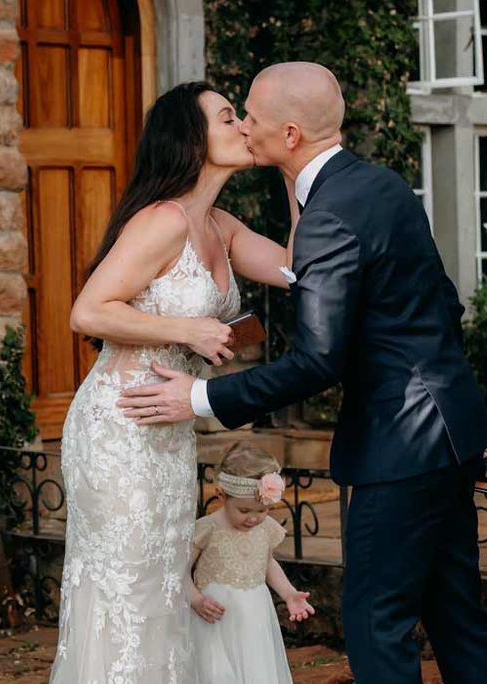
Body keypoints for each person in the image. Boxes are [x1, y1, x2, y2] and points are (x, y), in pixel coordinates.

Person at [119, 61, 487, 683]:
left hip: (397, 448)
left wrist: (201, 397)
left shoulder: (329, 216)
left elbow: (318, 359)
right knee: (456, 617)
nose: (245, 127)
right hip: (452, 434)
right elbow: (442, 305)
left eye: (253, 118)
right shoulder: (382, 186)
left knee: (378, 622)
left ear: (289, 135)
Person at [48, 81, 296, 683]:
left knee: (164, 585)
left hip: (168, 431)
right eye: (228, 116)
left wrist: (294, 172)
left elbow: (299, 267)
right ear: (191, 138)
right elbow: (88, 311)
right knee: (130, 588)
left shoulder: (223, 226)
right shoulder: (162, 221)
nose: (242, 126)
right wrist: (188, 327)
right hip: (120, 428)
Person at [190, 442, 314, 683]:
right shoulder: (207, 529)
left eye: (263, 510)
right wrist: (195, 600)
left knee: (256, 668)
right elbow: (179, 572)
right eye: (244, 510)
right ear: (221, 495)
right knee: (218, 673)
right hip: (215, 616)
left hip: (255, 613)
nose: (254, 518)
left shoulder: (265, 528)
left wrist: (289, 594)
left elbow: (267, 563)